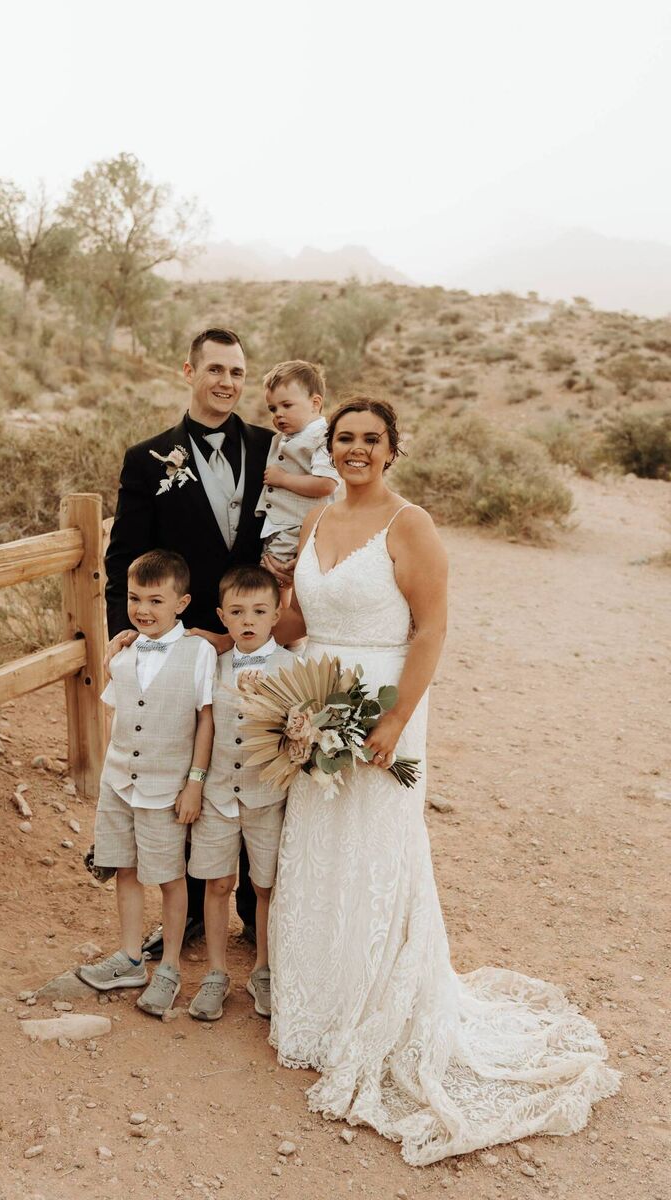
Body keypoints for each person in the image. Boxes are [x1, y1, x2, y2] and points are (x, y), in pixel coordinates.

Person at [268, 397, 619, 1164]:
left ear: (392, 450)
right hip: (316, 699)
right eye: (344, 438)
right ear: (330, 448)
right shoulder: (317, 518)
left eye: (371, 440)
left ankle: (376, 1006)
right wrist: (248, 625)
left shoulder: (411, 525)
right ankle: (317, 1005)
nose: (356, 449)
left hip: (382, 702)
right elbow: (296, 623)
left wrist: (394, 720)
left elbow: (431, 628)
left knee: (377, 847)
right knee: (317, 844)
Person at [105, 328, 278, 958]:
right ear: (189, 371)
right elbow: (124, 555)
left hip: (256, 638)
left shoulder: (270, 447)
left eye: (237, 371)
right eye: (215, 369)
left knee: (254, 761)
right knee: (188, 767)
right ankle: (198, 913)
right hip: (185, 643)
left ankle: (256, 911)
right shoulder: (147, 459)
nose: (227, 382)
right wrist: (127, 636)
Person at [78, 550, 215, 1017]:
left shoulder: (198, 653)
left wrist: (195, 782)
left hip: (166, 789)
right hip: (119, 782)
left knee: (170, 877)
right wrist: (115, 655)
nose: (143, 609)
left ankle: (170, 967)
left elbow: (206, 720)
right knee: (126, 869)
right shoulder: (126, 649)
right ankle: (131, 957)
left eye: (156, 601)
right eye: (135, 598)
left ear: (182, 603)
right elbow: (119, 710)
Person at [187, 565, 297, 1021]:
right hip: (217, 795)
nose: (247, 620)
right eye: (236, 612)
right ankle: (216, 973)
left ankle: (263, 969)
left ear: (276, 615)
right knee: (216, 883)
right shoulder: (213, 665)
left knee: (265, 885)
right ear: (222, 617)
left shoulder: (292, 668)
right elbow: (204, 725)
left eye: (258, 611)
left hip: (266, 797)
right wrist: (195, 784)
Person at [255, 360, 339, 575]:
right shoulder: (283, 438)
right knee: (271, 571)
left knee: (270, 575)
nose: (278, 414)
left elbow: (326, 484)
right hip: (278, 524)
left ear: (315, 403)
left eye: (287, 405)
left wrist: (283, 479)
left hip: (299, 526)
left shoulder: (323, 437)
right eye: (273, 409)